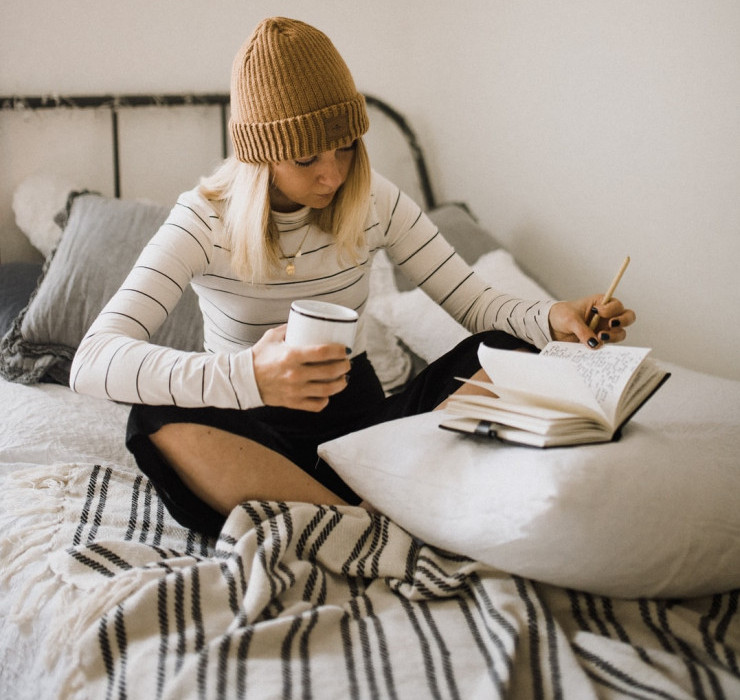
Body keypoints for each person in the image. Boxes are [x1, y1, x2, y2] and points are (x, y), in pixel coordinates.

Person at [70, 17, 635, 537]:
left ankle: (345, 516)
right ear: (262, 157)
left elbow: (477, 303)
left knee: (505, 349)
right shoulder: (203, 220)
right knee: (152, 417)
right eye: (308, 159)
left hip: (370, 438)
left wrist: (550, 317)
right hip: (255, 448)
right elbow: (92, 360)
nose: (333, 174)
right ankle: (366, 521)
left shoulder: (373, 200)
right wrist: (248, 376)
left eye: (345, 148)